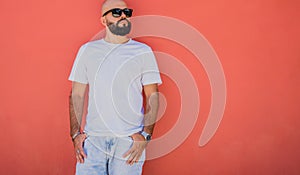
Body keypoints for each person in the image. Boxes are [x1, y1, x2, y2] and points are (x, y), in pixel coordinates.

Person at [68, 0, 162, 174]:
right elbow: (76, 95)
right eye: (116, 12)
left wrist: (146, 135)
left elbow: (153, 96)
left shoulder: (143, 51)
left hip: (128, 143)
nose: (124, 15)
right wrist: (75, 135)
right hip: (93, 141)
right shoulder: (88, 51)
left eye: (127, 12)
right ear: (104, 21)